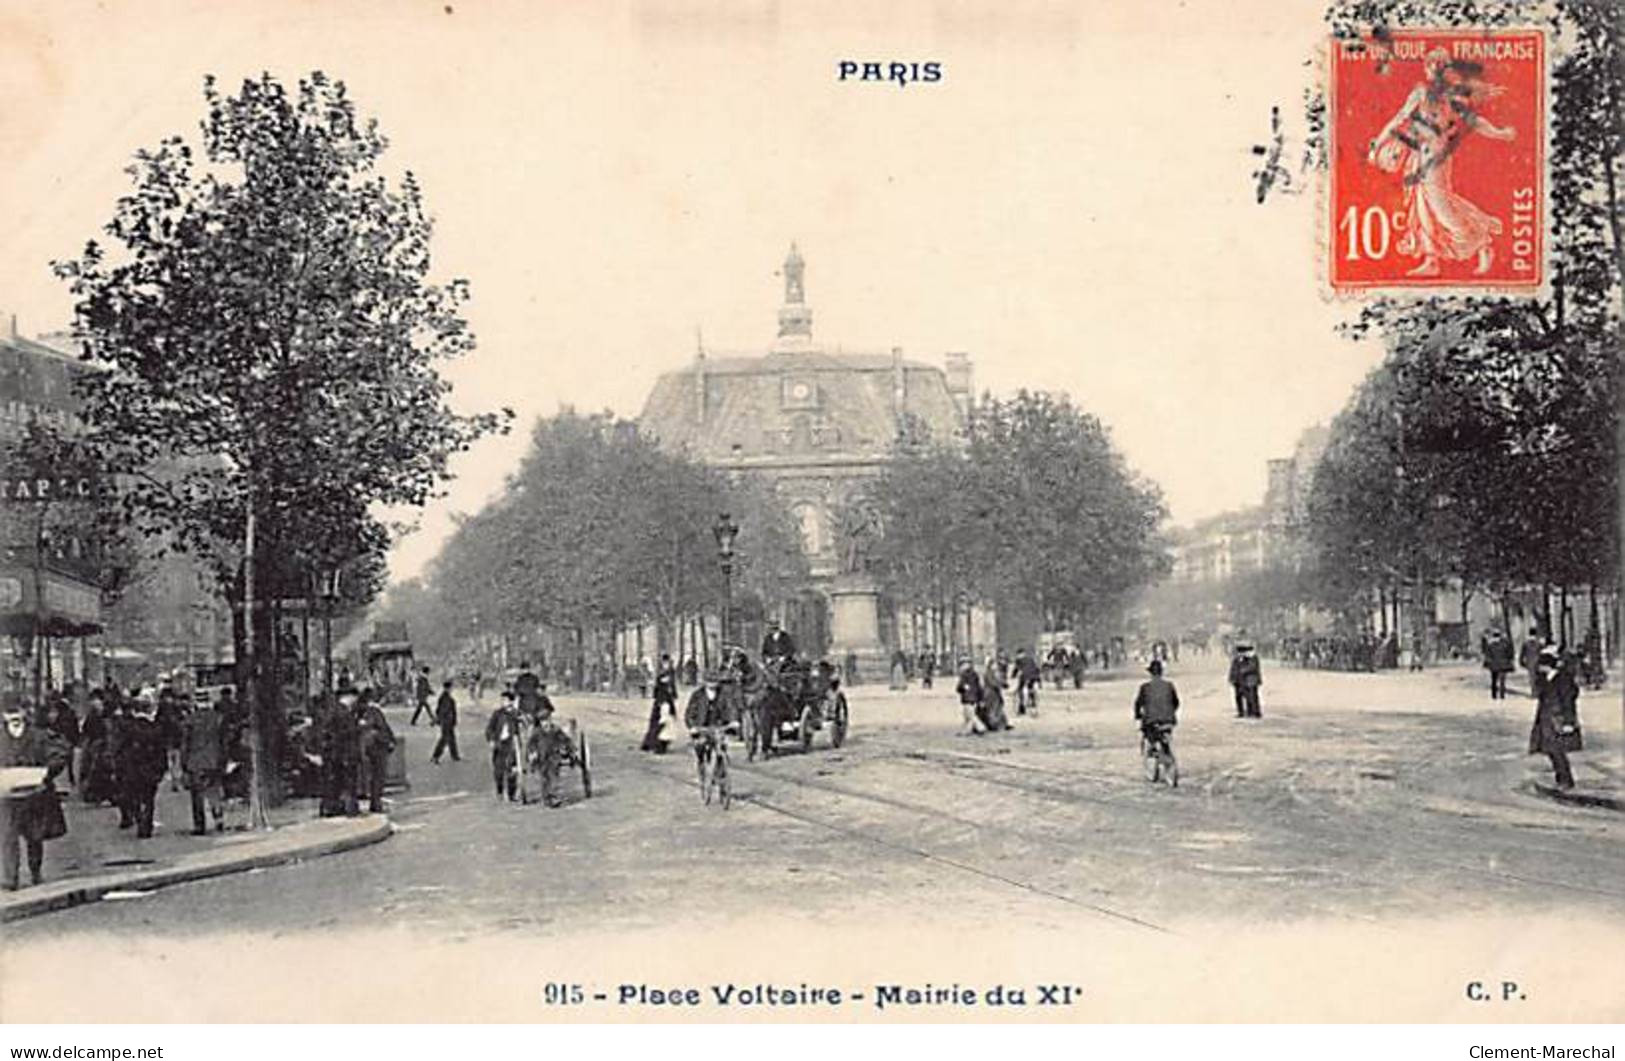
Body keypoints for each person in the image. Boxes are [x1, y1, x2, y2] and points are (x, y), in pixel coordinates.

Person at [1366, 47, 1516, 278]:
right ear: (1427, 70)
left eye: (1440, 66)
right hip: (1417, 156)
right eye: (1432, 66)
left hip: (1437, 157)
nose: (1435, 71)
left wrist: (1498, 133)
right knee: (1421, 206)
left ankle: (1482, 242)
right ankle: (1431, 259)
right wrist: (1379, 144)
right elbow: (1400, 119)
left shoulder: (1453, 96)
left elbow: (1474, 121)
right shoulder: (1421, 92)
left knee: (1440, 206)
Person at [1, 700, 69, 890]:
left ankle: (35, 872)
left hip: (34, 795)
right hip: (6, 797)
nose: (13, 717)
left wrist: (46, 773)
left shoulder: (39, 736)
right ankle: (10, 878)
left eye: (17, 712)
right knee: (7, 837)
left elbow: (60, 754)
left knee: (35, 837)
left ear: (24, 713)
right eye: (8, 712)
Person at [1529, 646, 1582, 790]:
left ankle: (1565, 780)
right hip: (1547, 719)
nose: (1539, 669)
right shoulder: (1546, 678)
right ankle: (1561, 779)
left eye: (1542, 665)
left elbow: (1568, 701)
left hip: (1558, 719)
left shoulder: (1563, 679)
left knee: (1557, 751)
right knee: (1551, 751)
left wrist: (1569, 722)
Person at [119, 693, 169, 839]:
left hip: (132, 769)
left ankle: (139, 818)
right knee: (149, 798)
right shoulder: (155, 729)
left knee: (134, 796)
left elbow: (120, 749)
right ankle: (146, 824)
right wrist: (161, 769)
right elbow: (161, 750)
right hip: (150, 770)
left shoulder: (128, 728)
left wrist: (119, 767)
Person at [179, 690, 226, 835]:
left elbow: (185, 744)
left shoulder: (190, 720)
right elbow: (223, 742)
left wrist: (184, 764)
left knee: (197, 795)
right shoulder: (218, 718)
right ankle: (218, 818)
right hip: (214, 760)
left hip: (196, 762)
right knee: (214, 791)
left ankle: (200, 826)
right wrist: (223, 760)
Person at [318, 690, 361, 817]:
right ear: (349, 697)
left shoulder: (336, 710)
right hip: (343, 752)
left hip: (337, 753)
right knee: (348, 781)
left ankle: (333, 807)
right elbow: (346, 732)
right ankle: (349, 808)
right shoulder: (343, 712)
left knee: (335, 781)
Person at [355, 688, 396, 814]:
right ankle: (376, 803)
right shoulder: (372, 711)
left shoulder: (364, 710)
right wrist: (389, 740)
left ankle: (375, 801)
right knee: (378, 776)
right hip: (377, 747)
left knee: (375, 776)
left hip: (373, 746)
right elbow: (382, 727)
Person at [1133, 658, 1180, 768]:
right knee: (1165, 734)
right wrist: (1170, 712)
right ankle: (1166, 752)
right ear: (1161, 672)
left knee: (1149, 734)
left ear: (1151, 674)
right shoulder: (1169, 685)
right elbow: (1176, 702)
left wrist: (1138, 715)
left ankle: (1153, 750)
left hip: (1151, 720)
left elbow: (1138, 704)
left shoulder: (1145, 687)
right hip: (1169, 720)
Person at [684, 670, 734, 769]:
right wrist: (692, 726)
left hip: (718, 725)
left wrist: (733, 721)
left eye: (715, 682)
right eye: (710, 682)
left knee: (721, 746)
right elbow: (689, 712)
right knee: (701, 747)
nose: (713, 684)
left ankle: (720, 771)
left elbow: (730, 708)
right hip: (702, 726)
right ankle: (701, 764)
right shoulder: (697, 695)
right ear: (705, 682)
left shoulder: (723, 694)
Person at [485, 691, 522, 801]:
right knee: (498, 770)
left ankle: (511, 794)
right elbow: (489, 728)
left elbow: (523, 728)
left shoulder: (517, 714)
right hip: (499, 744)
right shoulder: (497, 714)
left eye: (505, 700)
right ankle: (499, 790)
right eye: (502, 700)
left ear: (511, 701)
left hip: (512, 745)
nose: (502, 702)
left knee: (512, 770)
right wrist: (491, 739)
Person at [641, 654, 680, 753]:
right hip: (662, 700)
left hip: (667, 700)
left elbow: (672, 686)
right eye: (665, 663)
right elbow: (659, 688)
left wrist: (674, 695)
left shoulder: (671, 673)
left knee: (666, 722)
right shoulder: (662, 674)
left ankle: (659, 743)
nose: (666, 664)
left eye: (667, 663)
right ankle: (653, 743)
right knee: (660, 722)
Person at [1228, 642, 1263, 719]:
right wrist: (1232, 678)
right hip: (1239, 681)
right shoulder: (1237, 659)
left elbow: (1252, 667)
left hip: (1251, 680)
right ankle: (1242, 712)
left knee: (1252, 697)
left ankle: (1255, 712)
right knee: (1239, 697)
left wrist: (1242, 671)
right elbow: (1233, 669)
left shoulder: (1252, 657)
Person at [431, 679, 460, 764]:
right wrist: (439, 719)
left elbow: (438, 710)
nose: (452, 689)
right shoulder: (446, 698)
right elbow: (444, 711)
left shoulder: (444, 697)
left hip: (448, 721)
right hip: (447, 721)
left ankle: (454, 755)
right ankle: (435, 756)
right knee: (444, 739)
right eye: (451, 687)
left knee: (451, 738)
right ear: (448, 688)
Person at [979, 655, 1012, 732]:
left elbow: (999, 681)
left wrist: (1004, 684)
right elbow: (992, 683)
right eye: (994, 665)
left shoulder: (994, 673)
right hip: (990, 694)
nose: (996, 666)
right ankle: (993, 725)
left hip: (995, 694)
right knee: (992, 709)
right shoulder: (988, 673)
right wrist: (1001, 684)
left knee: (998, 708)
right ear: (990, 665)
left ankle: (1003, 723)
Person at [1482, 629, 1515, 701]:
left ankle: (1494, 695)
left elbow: (1487, 655)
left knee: (1494, 680)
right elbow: (1509, 654)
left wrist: (1488, 663)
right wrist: (1509, 661)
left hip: (1494, 666)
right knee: (1502, 681)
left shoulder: (1490, 645)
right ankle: (1502, 695)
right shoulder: (1504, 645)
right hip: (1503, 665)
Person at [955, 658, 984, 736]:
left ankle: (980, 727)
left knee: (971, 715)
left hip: (967, 698)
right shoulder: (975, 674)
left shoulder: (964, 675)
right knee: (967, 716)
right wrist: (980, 698)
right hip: (974, 697)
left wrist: (961, 689)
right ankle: (965, 731)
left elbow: (959, 686)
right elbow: (979, 687)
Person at [1011, 647, 1041, 716]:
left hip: (1025, 677)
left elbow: (1016, 669)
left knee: (1020, 690)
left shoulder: (1018, 660)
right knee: (1031, 690)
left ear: (1019, 654)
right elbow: (1036, 668)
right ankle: (1033, 704)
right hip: (1034, 677)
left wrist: (1013, 675)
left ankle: (1021, 708)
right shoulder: (1030, 659)